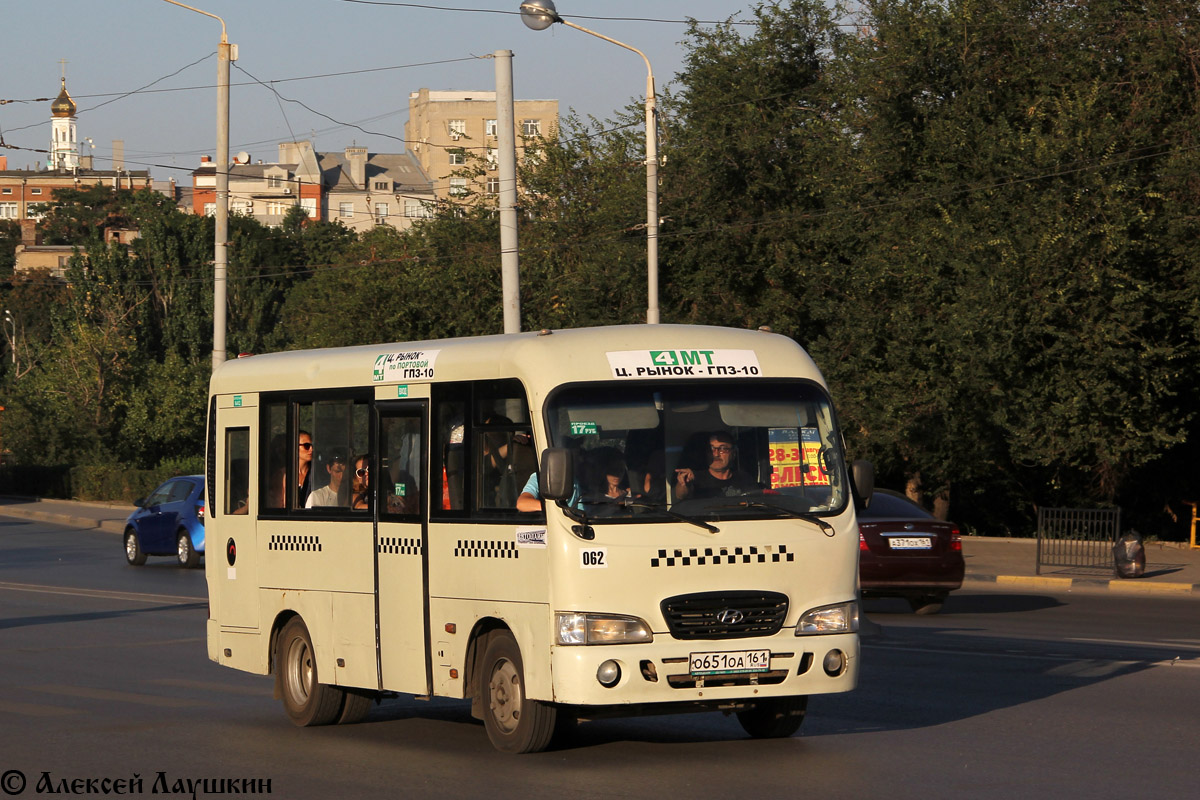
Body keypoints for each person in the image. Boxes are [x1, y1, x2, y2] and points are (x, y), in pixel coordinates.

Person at [674, 431, 759, 501]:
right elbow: (681, 495)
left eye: (723, 448)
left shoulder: (745, 478)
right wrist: (684, 483)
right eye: (711, 449)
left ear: (733, 454)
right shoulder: (695, 478)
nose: (716, 454)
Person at [297, 430, 313, 507]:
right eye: (306, 446)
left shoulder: (316, 473)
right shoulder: (283, 474)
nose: (311, 449)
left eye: (313, 445)